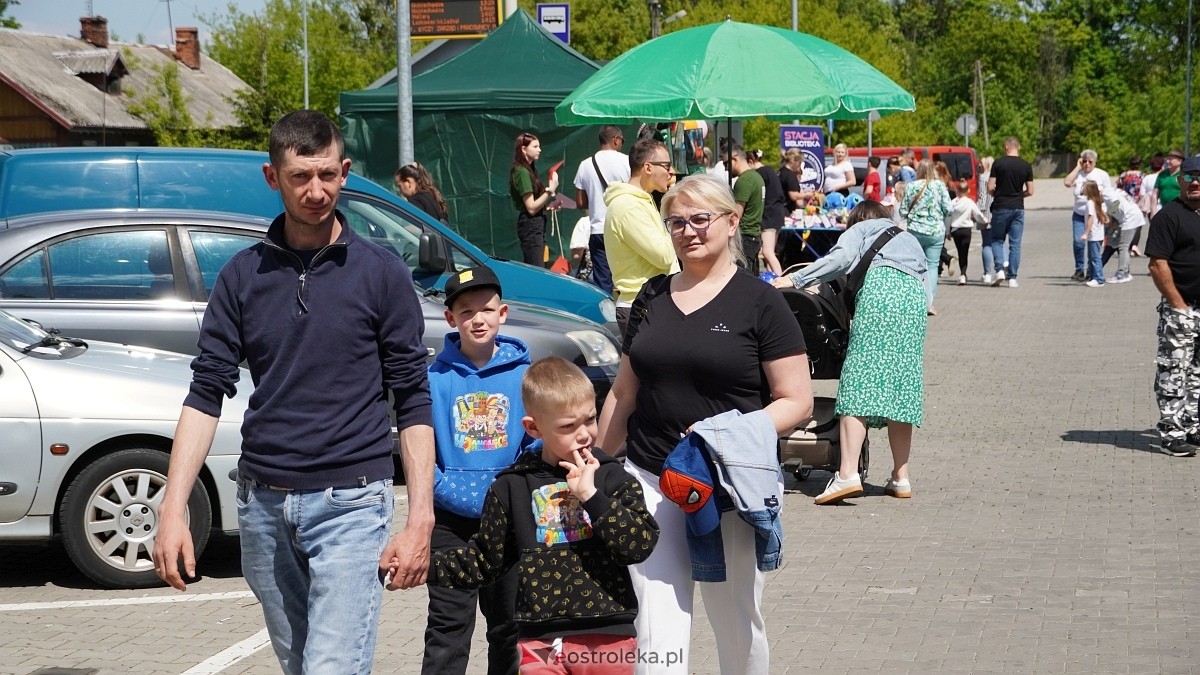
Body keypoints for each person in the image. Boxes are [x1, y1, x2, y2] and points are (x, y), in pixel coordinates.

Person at [151, 110, 435, 675]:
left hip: (352, 503)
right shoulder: (241, 276)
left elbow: (412, 397)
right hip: (263, 506)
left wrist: (420, 516)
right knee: (301, 665)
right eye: (300, 176)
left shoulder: (382, 274)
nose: (316, 191)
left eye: (327, 174)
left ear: (345, 171)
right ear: (271, 177)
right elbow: (206, 392)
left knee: (330, 667)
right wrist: (172, 506)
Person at [598, 174, 813, 674]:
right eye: (676, 222)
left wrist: (723, 437)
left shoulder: (761, 302)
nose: (688, 231)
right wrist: (599, 466)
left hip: (729, 486)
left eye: (700, 219)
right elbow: (625, 393)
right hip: (650, 476)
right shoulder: (652, 295)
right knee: (656, 621)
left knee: (735, 618)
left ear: (732, 221)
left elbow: (797, 400)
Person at [427, 356, 659, 674]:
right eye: (568, 426)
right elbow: (484, 561)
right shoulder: (512, 486)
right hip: (539, 641)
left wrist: (592, 498)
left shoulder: (611, 477)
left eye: (590, 420)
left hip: (605, 636)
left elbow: (639, 544)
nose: (584, 434)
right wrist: (421, 567)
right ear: (533, 428)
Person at [772, 200, 929, 504]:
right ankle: (901, 477)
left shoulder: (863, 228)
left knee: (858, 383)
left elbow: (840, 259)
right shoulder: (909, 238)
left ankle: (846, 475)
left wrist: (794, 279)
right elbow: (926, 286)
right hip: (914, 303)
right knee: (902, 388)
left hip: (880, 294)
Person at [423, 265, 528, 675]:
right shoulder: (433, 379)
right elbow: (420, 447)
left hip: (509, 520)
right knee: (448, 628)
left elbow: (538, 442)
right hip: (450, 524)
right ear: (451, 319)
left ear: (503, 313)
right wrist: (441, 487)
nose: (477, 319)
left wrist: (516, 491)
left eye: (486, 309)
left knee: (510, 627)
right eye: (466, 312)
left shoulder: (525, 376)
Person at [1145, 156, 1200, 456]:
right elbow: (1157, 264)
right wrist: (1178, 304)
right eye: (1189, 176)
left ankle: (1192, 425)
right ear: (1179, 180)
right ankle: (1171, 432)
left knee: (1197, 372)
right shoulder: (1168, 217)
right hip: (1181, 309)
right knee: (1174, 370)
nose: (1195, 182)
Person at [603, 138, 679, 339]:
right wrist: (674, 219)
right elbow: (663, 256)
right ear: (648, 167)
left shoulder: (642, 200)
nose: (671, 172)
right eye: (666, 166)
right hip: (641, 306)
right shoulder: (628, 206)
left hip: (650, 302)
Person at [573, 125, 629, 295]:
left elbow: (580, 202)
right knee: (628, 278)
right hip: (623, 229)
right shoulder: (627, 162)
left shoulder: (585, 165)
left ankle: (606, 311)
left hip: (598, 230)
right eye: (622, 141)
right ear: (616, 140)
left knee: (603, 283)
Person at [898, 159, 951, 315]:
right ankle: (929, 303)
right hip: (935, 231)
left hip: (915, 231)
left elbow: (903, 211)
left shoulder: (911, 186)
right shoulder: (939, 186)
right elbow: (949, 209)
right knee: (932, 266)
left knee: (915, 265)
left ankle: (913, 300)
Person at [987, 137, 1034, 288]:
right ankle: (1012, 278)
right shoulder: (1026, 165)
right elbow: (1031, 191)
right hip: (1018, 207)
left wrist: (998, 194)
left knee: (997, 240)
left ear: (1006, 146)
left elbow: (990, 187)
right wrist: (1019, 196)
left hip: (1000, 206)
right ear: (1018, 147)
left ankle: (999, 270)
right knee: (1015, 244)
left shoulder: (998, 163)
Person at [510, 131, 561, 267]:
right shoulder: (522, 172)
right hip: (531, 225)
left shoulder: (529, 171)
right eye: (535, 146)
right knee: (536, 267)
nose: (539, 150)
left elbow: (534, 206)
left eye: (539, 146)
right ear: (523, 149)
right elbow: (531, 208)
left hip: (535, 223)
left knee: (537, 265)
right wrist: (550, 190)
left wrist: (547, 207)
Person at [1064, 149, 1113, 281]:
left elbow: (1110, 195)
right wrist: (1077, 167)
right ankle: (1079, 269)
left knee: (1094, 244)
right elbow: (1067, 183)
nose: (1087, 164)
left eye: (1090, 162)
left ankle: (1093, 271)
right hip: (1079, 214)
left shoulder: (1101, 175)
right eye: (1084, 161)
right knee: (1078, 241)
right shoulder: (1079, 175)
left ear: (1095, 162)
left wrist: (1109, 214)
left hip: (1095, 215)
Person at [729, 146, 766, 275]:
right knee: (751, 276)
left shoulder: (744, 180)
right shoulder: (757, 177)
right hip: (754, 235)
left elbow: (736, 214)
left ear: (734, 159)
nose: (726, 168)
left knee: (742, 276)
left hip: (744, 236)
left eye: (726, 163)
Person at [748, 149, 786, 276]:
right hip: (777, 213)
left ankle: (780, 278)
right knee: (770, 252)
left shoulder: (759, 174)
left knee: (767, 252)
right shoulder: (770, 171)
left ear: (750, 162)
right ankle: (773, 278)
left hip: (769, 214)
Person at [946, 178, 989, 285]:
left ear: (957, 190)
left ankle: (962, 274)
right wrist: (984, 220)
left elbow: (948, 218)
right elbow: (977, 214)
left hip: (955, 230)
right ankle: (963, 274)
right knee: (964, 252)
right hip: (966, 230)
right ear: (968, 190)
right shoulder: (969, 202)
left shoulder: (952, 203)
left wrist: (947, 231)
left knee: (960, 251)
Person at [1100, 187, 1145, 284]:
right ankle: (1126, 272)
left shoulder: (1106, 195)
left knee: (1123, 246)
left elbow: (1116, 202)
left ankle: (1122, 273)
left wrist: (1109, 215)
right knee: (1122, 246)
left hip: (1130, 218)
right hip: (1134, 214)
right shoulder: (1112, 190)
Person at [1080, 181, 1109, 287]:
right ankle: (1093, 276)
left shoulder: (1090, 203)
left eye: (1084, 187)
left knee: (1095, 257)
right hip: (1098, 234)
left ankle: (1098, 279)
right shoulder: (1097, 202)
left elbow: (1091, 218)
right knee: (1092, 256)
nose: (1082, 189)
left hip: (1094, 234)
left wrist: (1086, 233)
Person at [976, 155, 996, 283]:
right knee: (998, 241)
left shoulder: (982, 177)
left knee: (986, 244)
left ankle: (987, 273)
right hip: (997, 212)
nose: (979, 166)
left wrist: (978, 212)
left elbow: (982, 197)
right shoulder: (996, 177)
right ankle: (1003, 266)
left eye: (981, 164)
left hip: (986, 213)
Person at [1152, 149, 1186, 217]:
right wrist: (1153, 211)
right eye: (1167, 159)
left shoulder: (1184, 175)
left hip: (1181, 211)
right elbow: (1155, 194)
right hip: (1165, 211)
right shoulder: (1162, 175)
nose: (1167, 161)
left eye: (1170, 159)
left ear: (1179, 161)